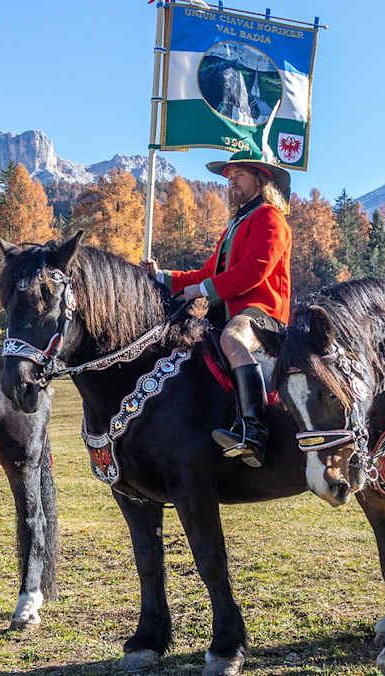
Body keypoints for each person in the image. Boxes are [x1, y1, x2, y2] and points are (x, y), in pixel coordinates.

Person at [140, 150, 292, 468]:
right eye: (229, 176)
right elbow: (206, 273)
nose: (231, 181)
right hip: (230, 313)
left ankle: (254, 432)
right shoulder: (235, 226)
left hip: (263, 313)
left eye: (239, 175)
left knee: (232, 340)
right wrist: (161, 276)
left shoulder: (269, 217)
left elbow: (256, 270)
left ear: (260, 179)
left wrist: (204, 290)